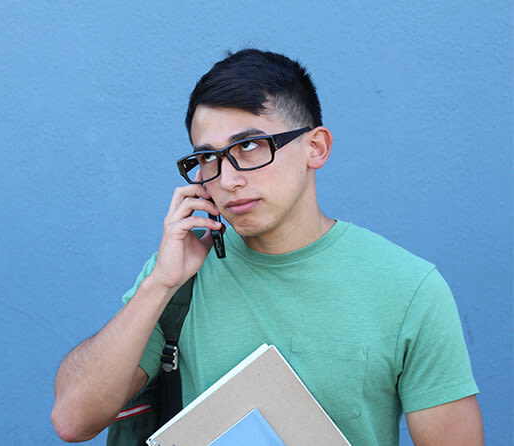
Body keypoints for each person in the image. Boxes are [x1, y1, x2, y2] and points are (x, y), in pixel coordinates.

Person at [51, 49, 483, 445]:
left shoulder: (409, 288)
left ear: (315, 147)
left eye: (250, 146)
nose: (227, 179)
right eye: (207, 158)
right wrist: (159, 284)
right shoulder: (180, 274)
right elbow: (72, 421)